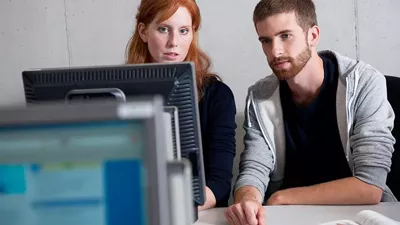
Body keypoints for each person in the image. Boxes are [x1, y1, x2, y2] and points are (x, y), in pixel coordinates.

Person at [225, 0, 397, 224]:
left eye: (285, 36)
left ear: (313, 35)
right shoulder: (260, 96)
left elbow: (370, 186)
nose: (275, 51)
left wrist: (283, 197)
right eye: (266, 40)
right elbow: (254, 168)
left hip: (358, 216)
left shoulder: (364, 82)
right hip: (290, 218)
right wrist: (248, 199)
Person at [125, 0, 237, 210]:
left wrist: (174, 211)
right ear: (143, 31)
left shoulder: (217, 96)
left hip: (198, 216)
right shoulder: (119, 96)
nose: (173, 42)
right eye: (163, 29)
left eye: (184, 31)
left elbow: (219, 183)